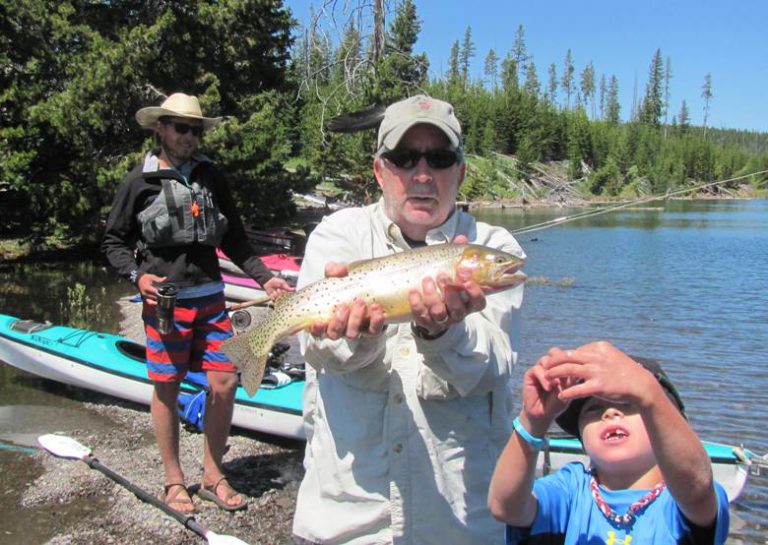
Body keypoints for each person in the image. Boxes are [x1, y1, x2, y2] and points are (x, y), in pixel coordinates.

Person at [291, 95, 526, 544]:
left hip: (456, 523)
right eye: (404, 158)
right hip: (347, 521)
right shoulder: (338, 236)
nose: (422, 175)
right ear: (380, 171)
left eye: (439, 159)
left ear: (459, 171)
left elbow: (495, 367)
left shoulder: (496, 249)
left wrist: (442, 332)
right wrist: (356, 338)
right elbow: (318, 351)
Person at [101, 92, 292, 513]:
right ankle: (174, 481)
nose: (189, 136)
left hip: (212, 300)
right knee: (166, 387)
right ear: (161, 129)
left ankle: (212, 475)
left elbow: (235, 238)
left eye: (195, 129)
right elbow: (113, 241)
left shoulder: (210, 176)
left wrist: (266, 277)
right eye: (181, 128)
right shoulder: (140, 181)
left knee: (225, 382)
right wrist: (137, 276)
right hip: (166, 306)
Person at [488, 341, 730, 544]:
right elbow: (505, 507)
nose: (610, 413)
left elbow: (697, 487)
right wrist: (532, 422)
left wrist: (647, 391)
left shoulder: (677, 501)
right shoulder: (572, 488)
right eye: (593, 409)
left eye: (628, 404)